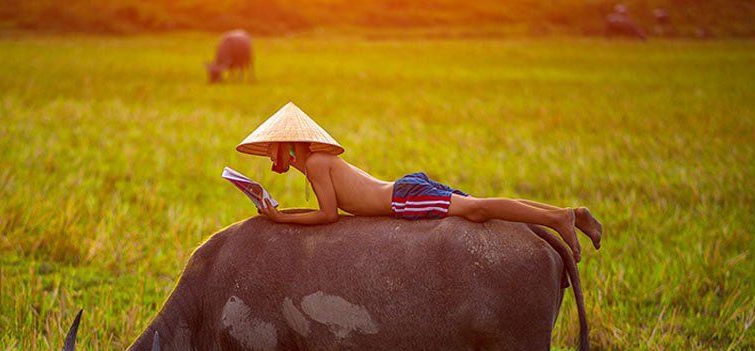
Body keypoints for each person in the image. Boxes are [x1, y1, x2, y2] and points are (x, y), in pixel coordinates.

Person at [236, 102, 602, 261]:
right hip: (405, 189)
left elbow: (329, 215)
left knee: (476, 209)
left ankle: (559, 218)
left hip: (402, 199)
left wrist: (281, 218)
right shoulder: (316, 163)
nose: (269, 155)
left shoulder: (316, 163)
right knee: (477, 206)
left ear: (287, 145)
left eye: (271, 148)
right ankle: (565, 213)